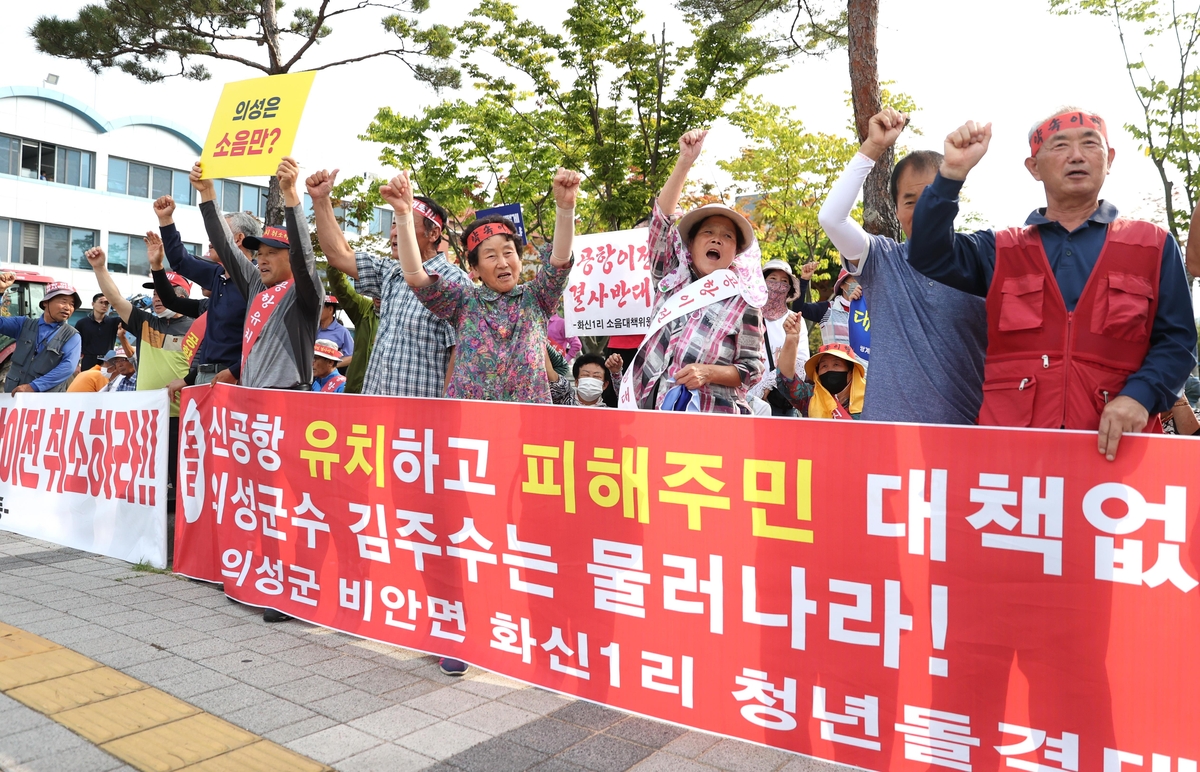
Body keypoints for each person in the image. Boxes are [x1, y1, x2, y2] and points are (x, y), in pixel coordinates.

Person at [908, 109, 1197, 460]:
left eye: (1090, 144)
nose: (1077, 155)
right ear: (1034, 167)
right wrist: (951, 175)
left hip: (1116, 451)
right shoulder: (1000, 249)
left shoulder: (1152, 244)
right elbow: (927, 254)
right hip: (1012, 454)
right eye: (1060, 145)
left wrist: (1140, 395)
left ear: (1110, 160)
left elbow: (1178, 340)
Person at [193, 156, 323, 623]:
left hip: (288, 404)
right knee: (259, 500)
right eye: (259, 252)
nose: (261, 258)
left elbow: (307, 262)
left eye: (272, 252)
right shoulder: (255, 288)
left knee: (290, 504)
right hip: (252, 409)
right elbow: (228, 250)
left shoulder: (302, 295)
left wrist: (293, 200)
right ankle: (265, 577)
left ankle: (296, 589)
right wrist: (207, 196)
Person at [817, 107, 988, 424]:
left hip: (965, 438)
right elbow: (831, 218)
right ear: (895, 209)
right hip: (886, 439)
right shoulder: (882, 259)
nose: (922, 209)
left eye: (932, 196)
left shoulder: (982, 258)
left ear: (952, 199)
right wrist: (873, 148)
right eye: (910, 201)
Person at [385, 168, 579, 403]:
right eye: (490, 256)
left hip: (527, 425)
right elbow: (416, 275)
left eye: (509, 253)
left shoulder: (536, 298)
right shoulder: (463, 301)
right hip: (470, 426)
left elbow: (558, 262)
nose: (502, 263)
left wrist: (566, 208)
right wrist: (404, 214)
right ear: (474, 269)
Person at [621, 129, 765, 413]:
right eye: (708, 232)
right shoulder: (671, 280)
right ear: (690, 244)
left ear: (735, 252)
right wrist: (685, 161)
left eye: (727, 237)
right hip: (655, 410)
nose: (716, 239)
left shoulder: (745, 300)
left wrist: (708, 372)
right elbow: (660, 224)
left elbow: (751, 368)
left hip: (715, 417)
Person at [311, 168, 467, 399]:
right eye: (394, 224)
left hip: (422, 417)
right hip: (376, 412)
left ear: (434, 233)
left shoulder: (455, 281)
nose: (395, 232)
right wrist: (321, 199)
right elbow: (339, 255)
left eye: (405, 223)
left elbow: (461, 353)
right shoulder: (391, 271)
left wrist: (445, 411)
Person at [151, 195, 252, 387]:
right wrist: (166, 220)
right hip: (203, 377)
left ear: (238, 239)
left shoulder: (256, 282)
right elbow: (180, 262)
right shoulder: (218, 275)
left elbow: (260, 342)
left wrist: (234, 371)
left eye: (219, 231)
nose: (211, 238)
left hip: (236, 379)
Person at [749, 259, 813, 416]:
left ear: (789, 289)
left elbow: (801, 361)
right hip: (746, 396)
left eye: (784, 281)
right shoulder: (747, 313)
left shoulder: (795, 319)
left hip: (780, 400)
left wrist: (768, 386)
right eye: (772, 279)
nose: (778, 285)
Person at [776, 312, 865, 419]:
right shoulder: (810, 396)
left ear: (851, 371)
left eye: (836, 364)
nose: (829, 369)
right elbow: (786, 379)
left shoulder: (870, 401)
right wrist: (792, 337)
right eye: (824, 366)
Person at [0, 279, 81, 394]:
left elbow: (68, 367)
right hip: (13, 396)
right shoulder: (23, 324)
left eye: (72, 304)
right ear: (46, 302)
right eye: (63, 302)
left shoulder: (72, 336)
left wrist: (34, 386)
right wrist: (0, 292)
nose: (68, 307)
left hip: (45, 403)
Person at [324, 266, 378, 394]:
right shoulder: (365, 310)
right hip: (357, 391)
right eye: (374, 289)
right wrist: (336, 258)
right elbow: (340, 286)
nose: (378, 293)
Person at [549, 353, 624, 407]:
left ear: (605, 385)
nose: (590, 380)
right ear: (577, 381)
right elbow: (554, 379)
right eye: (585, 375)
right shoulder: (562, 400)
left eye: (596, 376)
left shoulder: (609, 413)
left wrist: (616, 373)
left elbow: (625, 397)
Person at [74, 293, 120, 372]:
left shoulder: (114, 322)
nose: (104, 305)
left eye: (107, 303)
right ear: (93, 304)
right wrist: (76, 365)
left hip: (107, 361)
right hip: (88, 361)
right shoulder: (82, 323)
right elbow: (75, 345)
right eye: (101, 302)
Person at [69, 348, 134, 393]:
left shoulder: (89, 372)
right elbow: (105, 398)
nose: (120, 365)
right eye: (117, 362)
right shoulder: (99, 376)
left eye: (122, 361)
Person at [317, 296, 354, 367]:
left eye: (320, 307)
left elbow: (350, 357)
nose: (317, 310)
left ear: (330, 309)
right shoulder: (312, 329)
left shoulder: (343, 332)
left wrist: (333, 367)